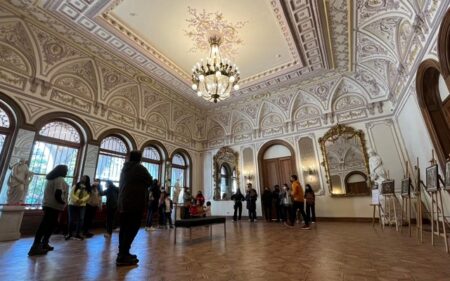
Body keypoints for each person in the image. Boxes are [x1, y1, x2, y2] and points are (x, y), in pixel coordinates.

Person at [117, 150, 152, 266]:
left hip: (123, 203)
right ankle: (123, 255)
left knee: (124, 229)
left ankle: (122, 253)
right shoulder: (139, 168)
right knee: (132, 228)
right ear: (139, 158)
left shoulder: (124, 168)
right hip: (134, 203)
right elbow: (150, 180)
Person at [28, 165, 69, 256]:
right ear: (61, 171)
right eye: (66, 170)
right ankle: (35, 246)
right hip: (53, 206)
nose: (67, 172)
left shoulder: (51, 179)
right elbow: (58, 193)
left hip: (48, 204)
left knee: (49, 225)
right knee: (45, 225)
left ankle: (44, 243)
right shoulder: (59, 179)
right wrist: (63, 202)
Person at [65, 175, 91, 240]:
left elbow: (88, 196)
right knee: (71, 219)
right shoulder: (76, 185)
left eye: (85, 178)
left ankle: (78, 234)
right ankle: (69, 233)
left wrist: (81, 200)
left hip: (82, 205)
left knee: (81, 219)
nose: (83, 179)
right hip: (72, 204)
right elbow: (71, 194)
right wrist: (77, 200)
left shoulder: (88, 187)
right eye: (82, 177)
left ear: (87, 180)